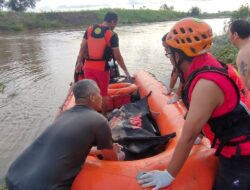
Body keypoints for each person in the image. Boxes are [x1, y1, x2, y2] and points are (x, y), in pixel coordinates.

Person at [137, 18, 250, 190]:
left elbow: (188, 136)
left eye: (169, 54)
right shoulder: (205, 63)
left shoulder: (206, 83)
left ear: (179, 54)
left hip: (242, 155)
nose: (169, 59)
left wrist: (168, 174)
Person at [6, 79, 124, 190]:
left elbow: (72, 146)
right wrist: (116, 154)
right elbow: (112, 159)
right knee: (122, 155)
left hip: (14, 176)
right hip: (41, 187)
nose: (101, 97)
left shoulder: (62, 116)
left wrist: (99, 151)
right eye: (99, 93)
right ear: (92, 97)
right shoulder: (99, 120)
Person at [75, 11, 131, 114]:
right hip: (101, 68)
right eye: (115, 23)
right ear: (113, 21)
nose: (115, 26)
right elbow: (117, 56)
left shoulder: (89, 29)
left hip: (87, 67)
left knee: (91, 93)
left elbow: (82, 47)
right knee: (104, 94)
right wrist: (126, 72)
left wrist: (79, 63)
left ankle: (91, 115)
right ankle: (104, 116)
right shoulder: (112, 35)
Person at [228, 19, 250, 89]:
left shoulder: (243, 53)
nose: (228, 37)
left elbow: (243, 83)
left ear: (235, 35)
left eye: (229, 33)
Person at [162, 33, 182, 104]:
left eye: (167, 48)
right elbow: (175, 72)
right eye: (164, 48)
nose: (165, 50)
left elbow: (185, 78)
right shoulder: (172, 56)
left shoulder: (185, 57)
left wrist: (177, 95)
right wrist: (170, 90)